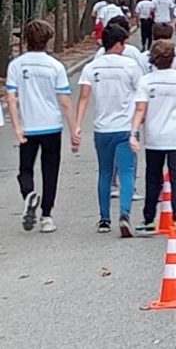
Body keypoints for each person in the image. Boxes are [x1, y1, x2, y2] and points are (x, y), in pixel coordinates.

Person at [6, 20, 77, 233]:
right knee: (50, 170)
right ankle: (47, 215)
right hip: (52, 126)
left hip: (28, 126)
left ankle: (29, 194)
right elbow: (64, 101)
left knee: (25, 169)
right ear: (48, 40)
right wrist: (74, 128)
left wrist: (17, 126)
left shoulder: (16, 65)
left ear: (26, 40)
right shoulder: (55, 66)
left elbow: (11, 98)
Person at [75, 24, 143, 236]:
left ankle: (104, 219)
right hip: (126, 127)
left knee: (105, 172)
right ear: (118, 43)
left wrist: (77, 125)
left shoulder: (92, 67)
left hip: (102, 128)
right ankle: (124, 214)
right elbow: (141, 96)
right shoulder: (130, 66)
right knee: (126, 171)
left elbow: (84, 97)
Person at [131, 41, 176, 239]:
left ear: (152, 59)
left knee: (153, 178)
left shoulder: (146, 81)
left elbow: (140, 109)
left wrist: (133, 132)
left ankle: (148, 220)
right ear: (173, 58)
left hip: (154, 136)